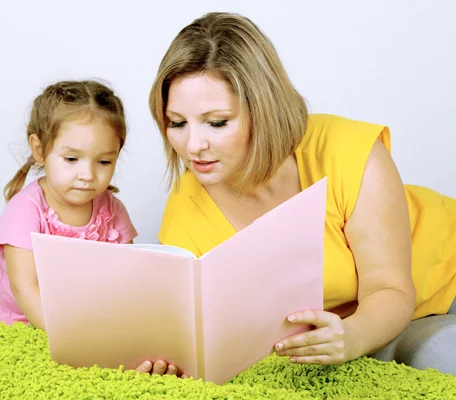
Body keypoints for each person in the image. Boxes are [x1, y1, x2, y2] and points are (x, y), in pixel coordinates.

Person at [137, 11, 456, 378]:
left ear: (264, 109)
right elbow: (208, 332)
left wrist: (351, 336)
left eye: (218, 122)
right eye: (177, 123)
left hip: (439, 282)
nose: (193, 145)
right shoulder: (185, 213)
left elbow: (390, 289)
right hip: (361, 328)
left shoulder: (348, 152)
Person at [0, 80, 138, 331]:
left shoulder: (112, 210)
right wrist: (68, 336)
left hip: (93, 319)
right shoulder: (25, 210)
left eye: (103, 162)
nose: (88, 174)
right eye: (71, 159)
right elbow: (24, 287)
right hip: (31, 325)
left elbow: (130, 275)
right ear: (39, 150)